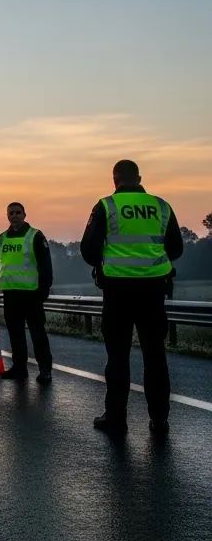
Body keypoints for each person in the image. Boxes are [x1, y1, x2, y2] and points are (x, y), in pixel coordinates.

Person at [80, 159, 183, 437]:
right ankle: (159, 420)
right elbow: (176, 247)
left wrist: (107, 261)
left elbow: (88, 250)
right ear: (139, 178)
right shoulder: (161, 206)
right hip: (152, 292)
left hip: (118, 292)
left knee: (117, 357)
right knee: (155, 357)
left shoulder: (106, 206)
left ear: (114, 180)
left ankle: (116, 418)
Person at [0, 202, 53, 383]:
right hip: (10, 294)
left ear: (25, 215)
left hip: (31, 294)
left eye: (18, 212)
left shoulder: (35, 236)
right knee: (15, 335)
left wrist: (45, 288)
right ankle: (19, 368)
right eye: (11, 213)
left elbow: (45, 265)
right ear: (7, 216)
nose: (15, 216)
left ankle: (45, 369)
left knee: (38, 334)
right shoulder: (2, 238)